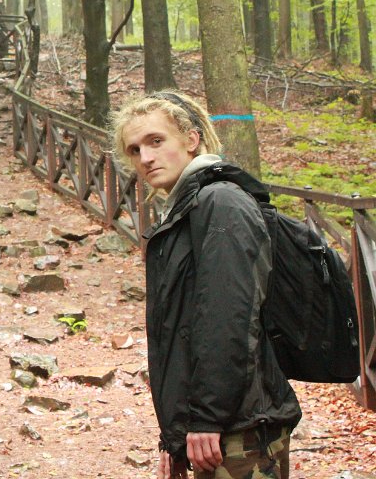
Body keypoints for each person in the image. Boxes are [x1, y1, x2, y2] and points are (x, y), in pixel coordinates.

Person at [111, 92, 301, 479]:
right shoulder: (187, 210)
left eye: (156, 140)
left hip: (241, 429)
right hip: (218, 428)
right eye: (135, 149)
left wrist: (206, 419)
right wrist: (175, 437)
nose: (145, 158)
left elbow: (228, 317)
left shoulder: (220, 203)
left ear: (191, 139)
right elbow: (181, 331)